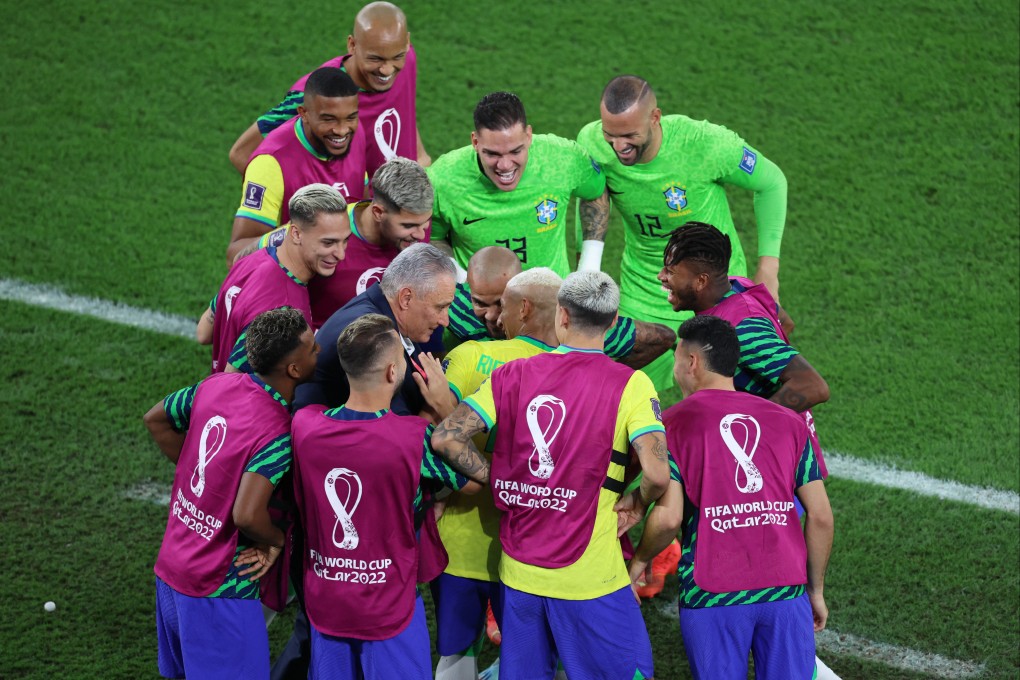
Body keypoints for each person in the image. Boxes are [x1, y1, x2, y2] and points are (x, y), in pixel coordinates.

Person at [432, 271, 673, 680]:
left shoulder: (512, 375)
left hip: (518, 575)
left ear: (562, 315)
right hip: (591, 579)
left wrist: (500, 479)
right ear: (613, 322)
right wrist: (637, 502)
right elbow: (656, 472)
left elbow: (446, 438)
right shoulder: (630, 383)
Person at [291, 314, 478, 679]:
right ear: (394, 372)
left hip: (326, 601)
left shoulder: (305, 425)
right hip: (389, 608)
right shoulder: (413, 437)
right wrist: (444, 406)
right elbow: (472, 483)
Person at [576, 75, 789, 391]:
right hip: (645, 293)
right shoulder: (592, 143)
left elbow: (771, 182)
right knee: (605, 395)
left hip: (717, 291)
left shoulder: (704, 144)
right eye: (610, 134)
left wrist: (768, 270)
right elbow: (592, 204)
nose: (619, 146)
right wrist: (589, 277)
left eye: (629, 135)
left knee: (739, 402)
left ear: (655, 118)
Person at [144, 307, 319, 679]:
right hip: (219, 585)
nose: (319, 350)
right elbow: (245, 515)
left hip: (171, 569)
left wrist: (203, 476)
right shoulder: (278, 430)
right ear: (294, 370)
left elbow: (156, 418)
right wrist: (274, 541)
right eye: (313, 348)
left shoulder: (215, 386)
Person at [662, 314, 833, 680]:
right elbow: (820, 516)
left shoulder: (671, 425)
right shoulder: (790, 421)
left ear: (691, 362)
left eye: (676, 358)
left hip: (712, 592)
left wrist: (640, 561)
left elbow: (670, 517)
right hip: (786, 591)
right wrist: (813, 590)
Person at [433, 267, 563, 680]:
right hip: (543, 551)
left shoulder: (471, 355)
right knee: (540, 659)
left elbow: (429, 434)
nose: (493, 318)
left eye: (501, 307)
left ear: (523, 309)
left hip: (462, 544)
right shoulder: (582, 374)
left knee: (456, 658)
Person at [657, 222, 829, 471]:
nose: (661, 276)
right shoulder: (738, 286)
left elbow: (813, 386)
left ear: (701, 281)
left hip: (774, 464)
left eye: (671, 272)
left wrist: (747, 428)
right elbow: (785, 323)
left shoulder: (741, 328)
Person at [228, 2, 429, 174]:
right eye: (375, 58)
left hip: (407, 210)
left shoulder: (406, 59)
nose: (386, 70)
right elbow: (242, 153)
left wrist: (420, 157)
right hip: (356, 215)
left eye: (396, 57)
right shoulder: (313, 93)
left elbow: (401, 108)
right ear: (352, 45)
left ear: (407, 43)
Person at [427, 92, 610, 278]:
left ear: (529, 136)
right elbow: (432, 236)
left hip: (552, 304)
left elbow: (596, 192)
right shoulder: (443, 179)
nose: (505, 165)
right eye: (493, 154)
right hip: (478, 306)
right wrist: (462, 279)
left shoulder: (562, 159)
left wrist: (589, 269)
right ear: (475, 142)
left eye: (515, 151)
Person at [445, 246, 677, 370]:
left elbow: (662, 338)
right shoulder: (450, 308)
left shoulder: (567, 319)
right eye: (480, 303)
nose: (494, 316)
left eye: (502, 303)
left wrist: (604, 377)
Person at [294, 242, 456, 414]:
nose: (444, 321)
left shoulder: (381, 313)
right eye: (440, 307)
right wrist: (443, 406)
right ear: (406, 299)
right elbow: (392, 427)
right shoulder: (372, 336)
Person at [226, 67, 365, 265]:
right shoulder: (271, 163)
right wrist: (294, 232)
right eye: (329, 119)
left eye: (351, 117)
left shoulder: (355, 134)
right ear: (304, 113)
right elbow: (236, 255)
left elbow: (361, 191)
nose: (342, 130)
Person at [206, 185, 351, 373]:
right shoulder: (284, 310)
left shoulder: (250, 260)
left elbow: (203, 331)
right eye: (328, 242)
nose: (341, 254)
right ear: (296, 234)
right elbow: (231, 383)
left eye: (345, 240)